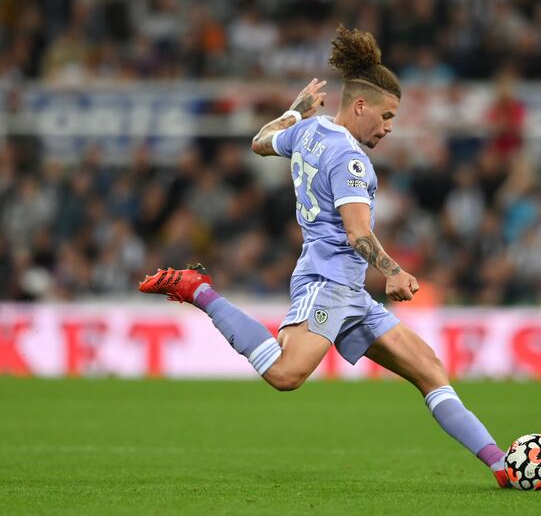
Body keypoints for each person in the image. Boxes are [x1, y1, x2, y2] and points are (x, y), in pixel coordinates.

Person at [139, 25, 511, 488]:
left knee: (430, 369)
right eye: (387, 116)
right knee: (285, 373)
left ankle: (502, 465)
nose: (389, 127)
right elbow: (357, 231)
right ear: (360, 106)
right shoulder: (351, 159)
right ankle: (200, 291)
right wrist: (393, 271)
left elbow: (259, 142)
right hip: (327, 280)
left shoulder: (309, 130)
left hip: (348, 289)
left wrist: (293, 112)